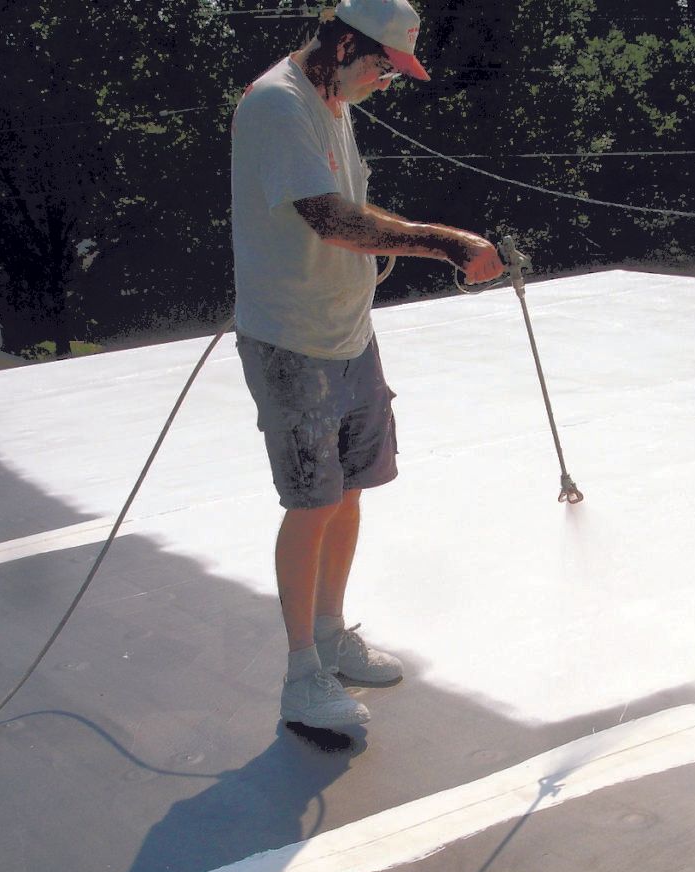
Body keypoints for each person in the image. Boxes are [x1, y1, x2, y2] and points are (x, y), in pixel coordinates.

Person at [231, 0, 503, 730]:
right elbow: (329, 219)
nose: (388, 80)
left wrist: (393, 239)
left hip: (349, 331)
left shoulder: (334, 102)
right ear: (345, 43)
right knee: (313, 501)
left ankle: (330, 634)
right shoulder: (277, 106)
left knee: (350, 493)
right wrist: (446, 243)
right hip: (293, 341)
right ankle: (301, 678)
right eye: (384, 64)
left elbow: (350, 204)